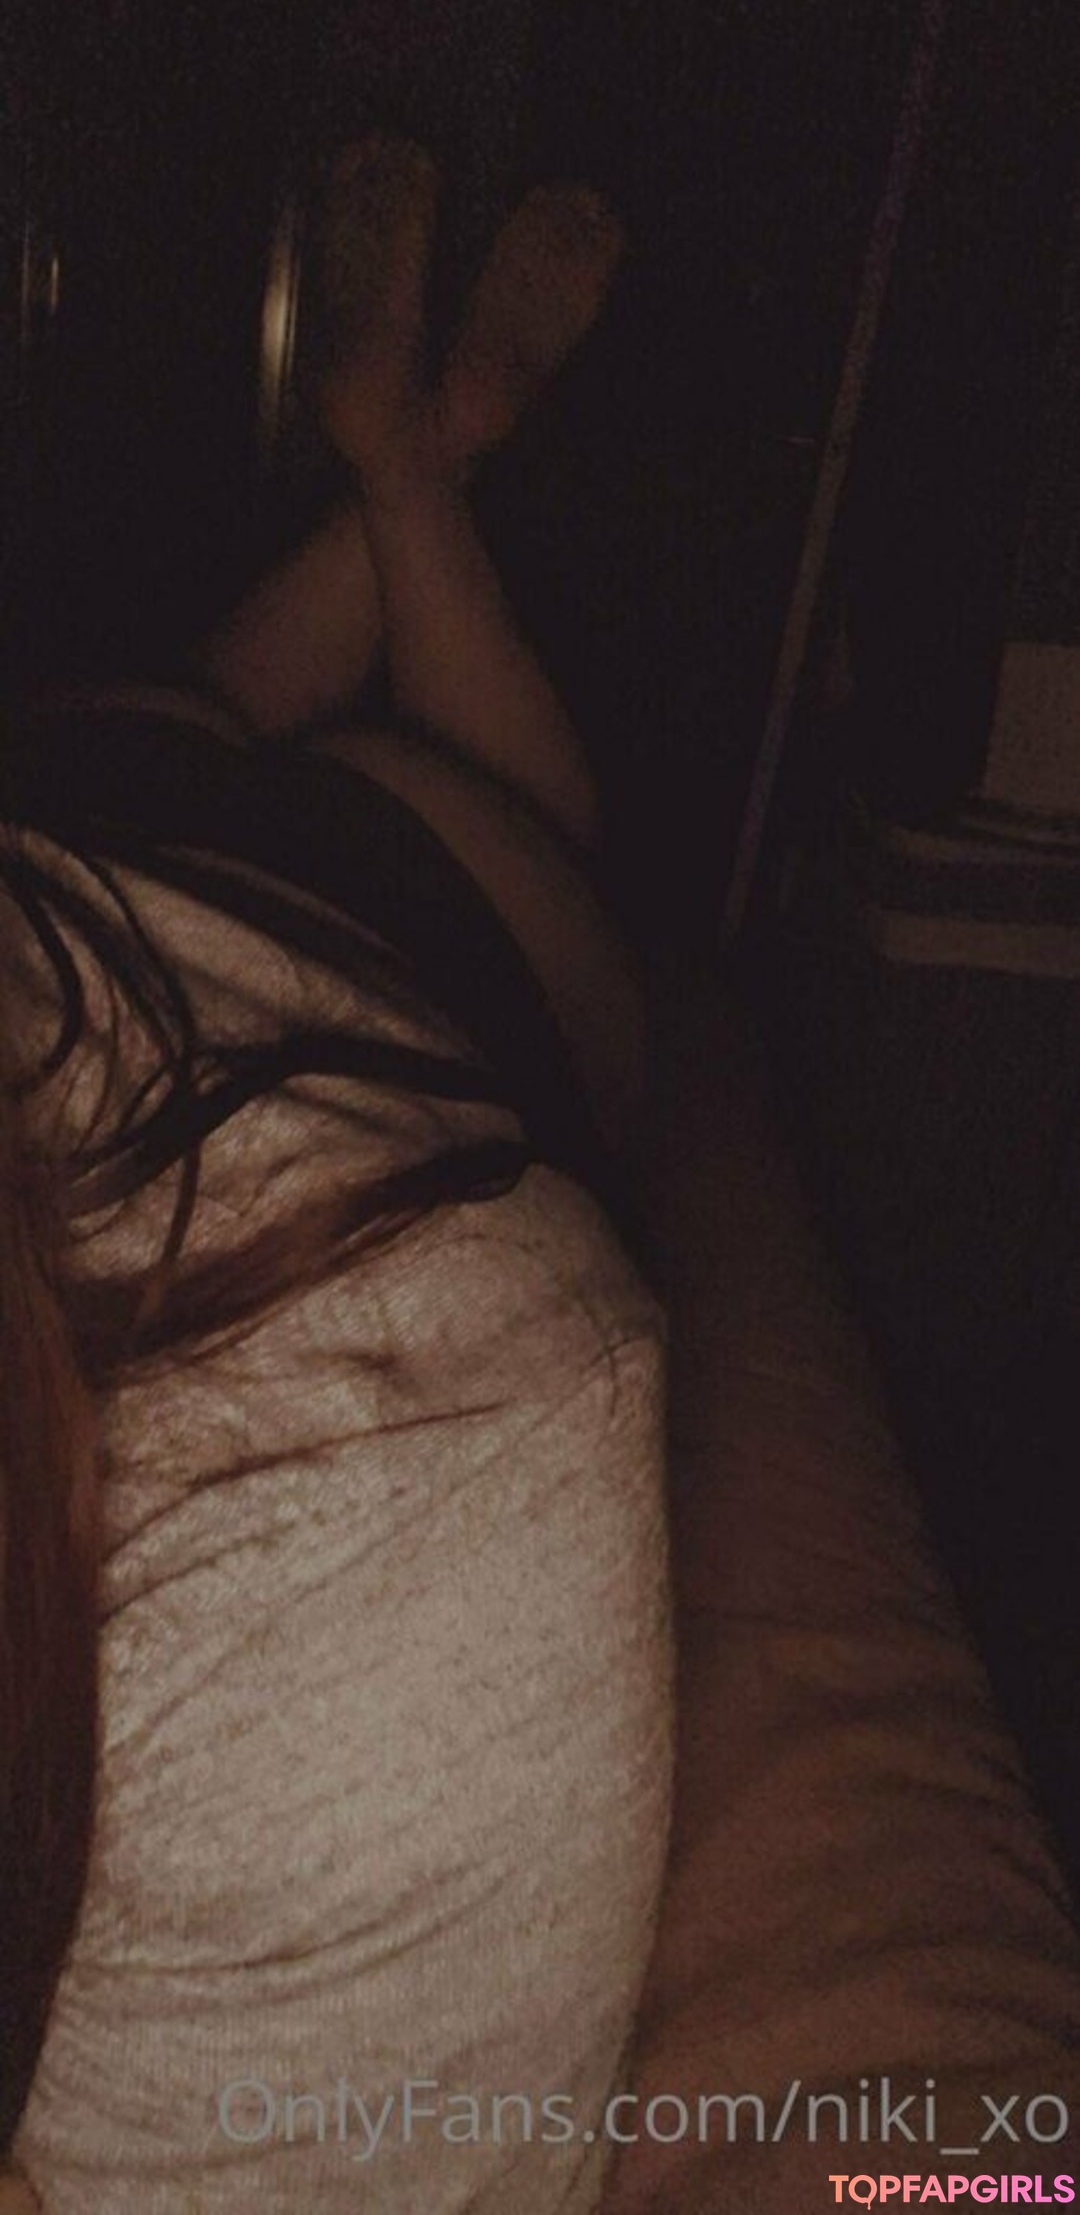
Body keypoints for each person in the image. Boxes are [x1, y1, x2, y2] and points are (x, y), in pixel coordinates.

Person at [0, 140, 675, 2211]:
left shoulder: (339, 1533)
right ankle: (408, 458)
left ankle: (408, 457)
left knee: (522, 824)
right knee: (226, 716)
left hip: (369, 899)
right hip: (105, 838)